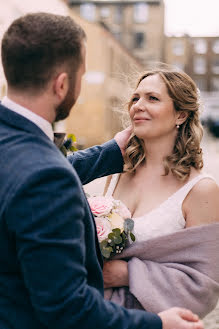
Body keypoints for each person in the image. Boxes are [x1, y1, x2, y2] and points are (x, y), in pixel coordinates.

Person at [0, 13, 204, 329]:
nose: (138, 105)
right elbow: (68, 309)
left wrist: (106, 152)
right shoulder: (48, 177)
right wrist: (157, 324)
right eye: (82, 74)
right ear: (62, 84)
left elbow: (28, 172)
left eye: (152, 98)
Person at [103, 68, 219, 318]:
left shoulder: (201, 190)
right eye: (135, 98)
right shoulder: (116, 174)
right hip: (97, 316)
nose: (138, 106)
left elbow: (202, 287)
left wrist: (127, 274)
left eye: (152, 98)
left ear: (180, 114)